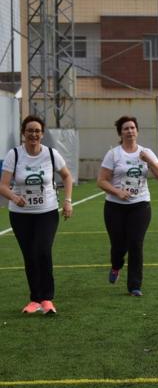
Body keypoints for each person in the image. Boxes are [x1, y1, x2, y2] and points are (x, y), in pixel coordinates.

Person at [0, 115, 74, 314]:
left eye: (37, 131)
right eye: (29, 130)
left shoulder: (51, 154)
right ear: (23, 133)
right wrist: (15, 198)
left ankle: (47, 299)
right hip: (20, 215)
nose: (33, 134)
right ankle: (35, 300)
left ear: (42, 134)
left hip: (46, 212)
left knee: (42, 250)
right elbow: (3, 186)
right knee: (30, 255)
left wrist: (67, 201)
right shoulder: (14, 155)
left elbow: (67, 176)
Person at [97, 116, 158, 297]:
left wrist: (149, 161)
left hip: (140, 205)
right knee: (118, 245)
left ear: (137, 131)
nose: (130, 131)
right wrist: (117, 192)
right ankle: (116, 265)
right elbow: (101, 181)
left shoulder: (146, 152)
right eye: (126, 128)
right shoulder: (114, 154)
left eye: (132, 128)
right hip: (115, 207)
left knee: (136, 243)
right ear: (120, 133)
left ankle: (135, 286)